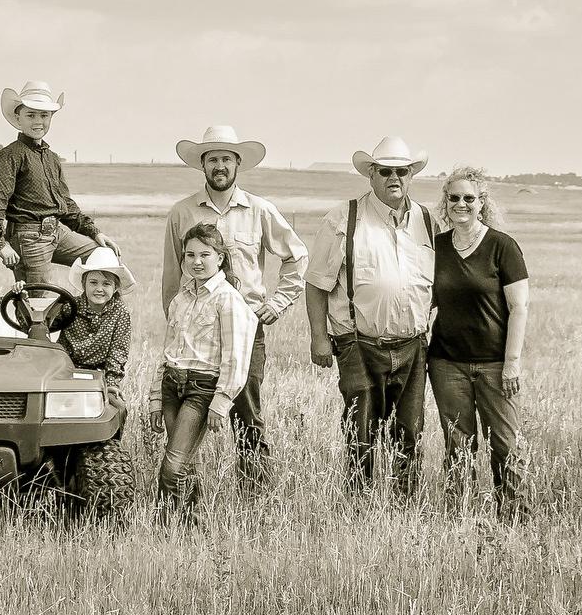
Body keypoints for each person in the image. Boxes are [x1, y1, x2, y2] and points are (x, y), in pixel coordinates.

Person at [159, 125, 308, 491]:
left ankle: (254, 496)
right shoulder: (182, 213)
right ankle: (183, 497)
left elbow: (297, 256)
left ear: (238, 164)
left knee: (247, 414)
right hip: (196, 336)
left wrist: (277, 303)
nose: (219, 165)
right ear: (203, 166)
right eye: (213, 159)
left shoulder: (259, 210)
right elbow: (170, 276)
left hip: (246, 332)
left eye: (226, 158)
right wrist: (178, 328)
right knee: (183, 420)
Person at [305, 136, 436, 498]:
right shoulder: (344, 218)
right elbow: (316, 285)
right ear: (372, 175)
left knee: (410, 430)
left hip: (413, 345)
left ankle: (404, 504)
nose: (394, 177)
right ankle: (359, 506)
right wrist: (319, 337)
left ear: (411, 175)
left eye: (402, 171)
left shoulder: (427, 220)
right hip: (358, 343)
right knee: (360, 432)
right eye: (385, 171)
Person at [429, 167, 530, 520]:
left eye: (469, 198)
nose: (461, 204)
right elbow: (423, 299)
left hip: (494, 363)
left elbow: (519, 307)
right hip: (446, 363)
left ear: (481, 202)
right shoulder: (437, 247)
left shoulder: (502, 246)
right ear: (446, 202)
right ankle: (460, 518)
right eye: (454, 198)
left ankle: (515, 518)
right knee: (457, 445)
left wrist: (512, 362)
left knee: (506, 444)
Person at [158, 224, 257, 525]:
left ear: (220, 258)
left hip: (201, 388)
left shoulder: (227, 299)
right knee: (186, 462)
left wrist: (222, 400)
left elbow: (236, 356)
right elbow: (167, 351)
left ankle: (162, 525)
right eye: (190, 255)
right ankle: (192, 523)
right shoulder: (181, 298)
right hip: (171, 384)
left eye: (205, 254)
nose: (196, 261)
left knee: (173, 465)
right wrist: (153, 398)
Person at [0, 81, 117, 285]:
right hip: (28, 236)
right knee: (40, 302)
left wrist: (94, 232)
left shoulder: (51, 158)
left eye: (44, 115)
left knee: (102, 258)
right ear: (18, 118)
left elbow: (65, 204)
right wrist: (0, 244)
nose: (38, 121)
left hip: (57, 231)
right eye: (31, 115)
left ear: (51, 118)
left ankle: (85, 314)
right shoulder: (9, 156)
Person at [62, 247, 135, 422]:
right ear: (84, 284)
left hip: (98, 375)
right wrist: (23, 300)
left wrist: (111, 383)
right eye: (93, 283)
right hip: (65, 371)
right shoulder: (69, 306)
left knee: (118, 407)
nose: (99, 289)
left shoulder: (120, 313)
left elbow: (118, 351)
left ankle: (112, 445)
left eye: (106, 284)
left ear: (116, 287)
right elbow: (42, 322)